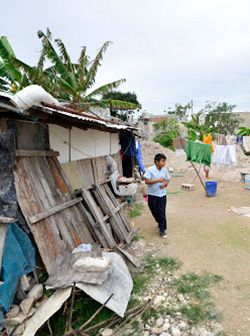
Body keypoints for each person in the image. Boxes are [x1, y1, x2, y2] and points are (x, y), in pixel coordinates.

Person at [144, 153, 171, 238]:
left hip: (162, 195)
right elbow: (147, 181)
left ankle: (162, 230)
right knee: (154, 211)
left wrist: (165, 184)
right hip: (152, 195)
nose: (164, 163)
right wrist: (157, 180)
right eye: (162, 161)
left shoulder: (165, 170)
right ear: (156, 161)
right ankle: (160, 222)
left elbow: (167, 179)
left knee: (161, 212)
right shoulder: (150, 170)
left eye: (164, 161)